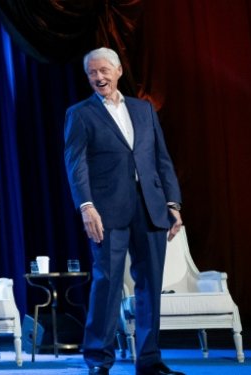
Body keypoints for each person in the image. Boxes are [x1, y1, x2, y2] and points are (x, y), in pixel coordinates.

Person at [64, 47, 185, 375]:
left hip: (150, 208)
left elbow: (161, 159)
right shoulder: (80, 113)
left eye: (103, 71)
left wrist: (173, 204)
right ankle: (98, 361)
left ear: (117, 72)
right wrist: (86, 207)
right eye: (92, 73)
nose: (98, 77)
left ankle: (149, 360)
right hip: (107, 212)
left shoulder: (143, 110)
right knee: (107, 284)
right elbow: (76, 165)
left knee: (150, 285)